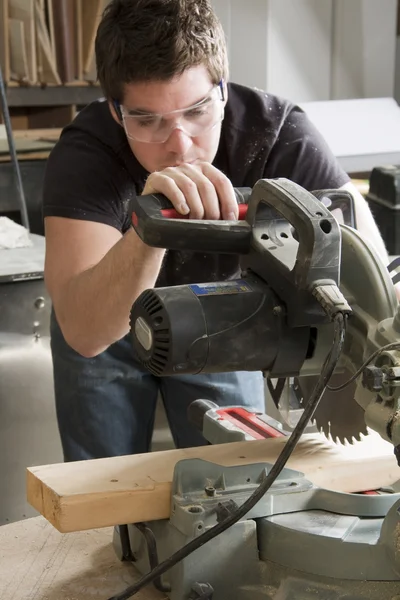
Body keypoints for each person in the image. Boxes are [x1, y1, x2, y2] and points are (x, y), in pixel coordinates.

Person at [43, 0, 389, 462]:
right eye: (148, 120)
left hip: (223, 311)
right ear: (115, 111)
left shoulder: (280, 133)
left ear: (222, 89)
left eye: (197, 111)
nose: (179, 144)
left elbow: (375, 285)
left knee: (235, 482)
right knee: (100, 484)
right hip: (107, 317)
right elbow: (85, 332)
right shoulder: (86, 153)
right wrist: (150, 231)